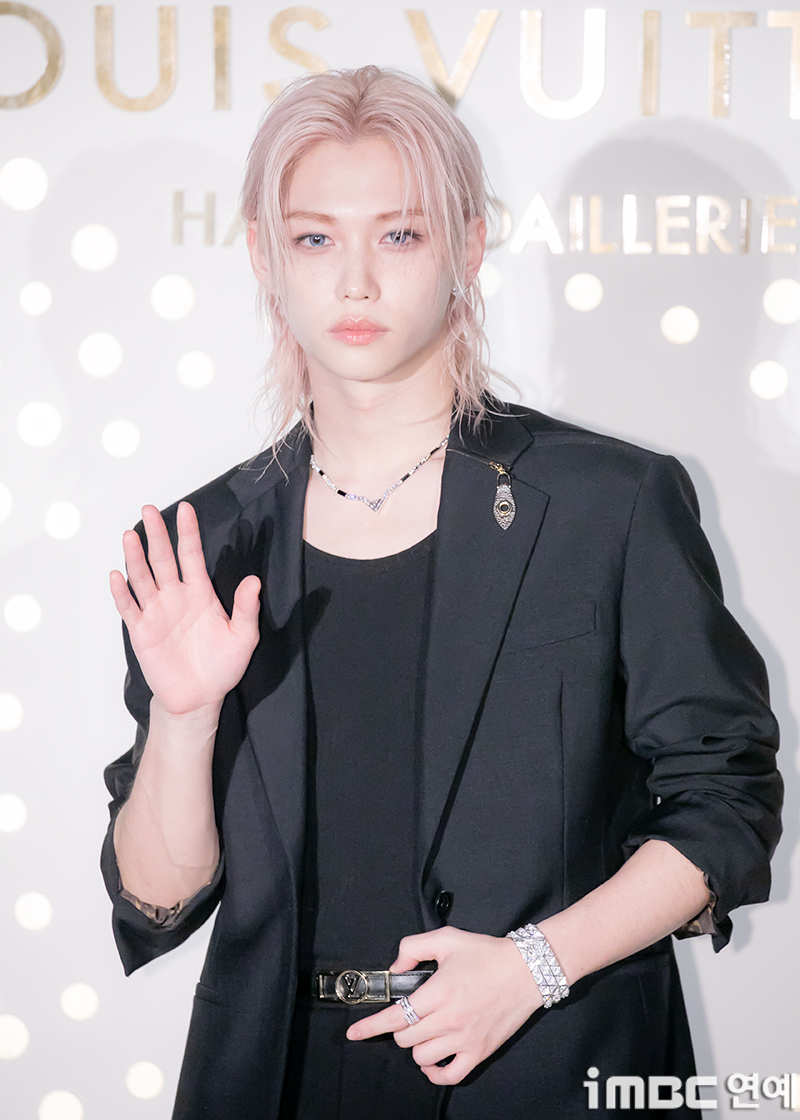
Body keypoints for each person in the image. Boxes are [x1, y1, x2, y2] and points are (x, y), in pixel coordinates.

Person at [102, 66, 782, 1119]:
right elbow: (157, 895)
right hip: (276, 1079)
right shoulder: (208, 542)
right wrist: (184, 719)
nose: (356, 282)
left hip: (547, 1064)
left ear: (467, 247)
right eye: (315, 238)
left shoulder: (605, 503)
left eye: (400, 235)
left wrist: (533, 966)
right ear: (264, 256)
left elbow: (726, 803)